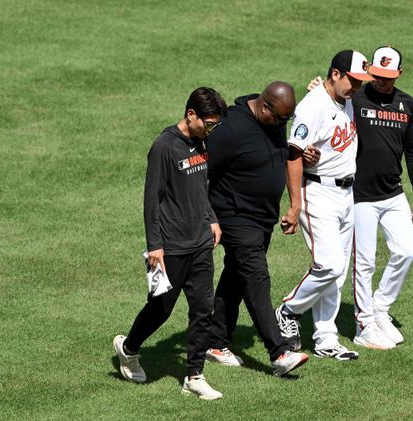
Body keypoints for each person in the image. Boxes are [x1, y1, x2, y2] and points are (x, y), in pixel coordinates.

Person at [307, 45, 413, 350]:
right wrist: (318, 90)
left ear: (399, 74)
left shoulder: (407, 104)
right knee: (364, 263)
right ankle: (364, 325)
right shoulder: (355, 98)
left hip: (394, 192)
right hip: (359, 195)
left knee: (407, 251)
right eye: (377, 74)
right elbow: (329, 102)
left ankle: (379, 307)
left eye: (388, 76)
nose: (381, 81)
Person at [112, 87, 227, 400]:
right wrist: (155, 246)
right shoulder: (163, 147)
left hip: (200, 242)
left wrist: (211, 217)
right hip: (171, 247)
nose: (211, 129)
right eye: (209, 123)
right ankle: (128, 348)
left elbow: (201, 186)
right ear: (191, 114)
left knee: (203, 308)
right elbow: (151, 200)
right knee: (160, 309)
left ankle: (194, 375)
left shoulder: (201, 140)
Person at [205, 81, 309, 377]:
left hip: (262, 218)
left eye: (286, 120)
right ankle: (279, 352)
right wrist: (207, 216)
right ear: (264, 107)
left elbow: (282, 158)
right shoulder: (230, 130)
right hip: (235, 216)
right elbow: (202, 172)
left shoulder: (273, 121)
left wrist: (294, 205)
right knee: (256, 278)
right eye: (280, 119)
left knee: (236, 277)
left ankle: (215, 341)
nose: (282, 126)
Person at [275, 50, 373, 361]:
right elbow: (293, 155)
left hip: (346, 194)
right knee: (329, 264)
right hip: (318, 194)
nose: (357, 87)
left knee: (337, 271)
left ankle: (326, 338)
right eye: (353, 81)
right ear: (335, 74)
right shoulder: (312, 107)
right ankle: (288, 311)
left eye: (360, 82)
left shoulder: (345, 99)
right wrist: (294, 207)